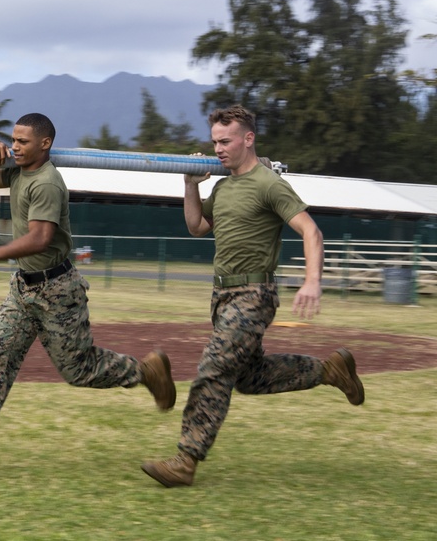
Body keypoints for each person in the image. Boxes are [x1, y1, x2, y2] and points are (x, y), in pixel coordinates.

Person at [0, 112, 176, 473]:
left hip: (57, 290)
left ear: (46, 144)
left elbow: (40, 237)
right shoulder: (16, 170)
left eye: (23, 142)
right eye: (12, 139)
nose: (15, 147)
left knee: (79, 370)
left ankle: (146, 371)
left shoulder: (47, 182)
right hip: (23, 288)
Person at [141, 105, 364, 488]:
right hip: (222, 296)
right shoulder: (223, 187)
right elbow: (196, 227)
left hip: (253, 294)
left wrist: (312, 281)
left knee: (214, 369)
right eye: (214, 142)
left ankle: (185, 460)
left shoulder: (269, 184)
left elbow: (311, 231)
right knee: (248, 377)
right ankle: (329, 370)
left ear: (248, 138)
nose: (218, 149)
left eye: (225, 141)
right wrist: (191, 185)